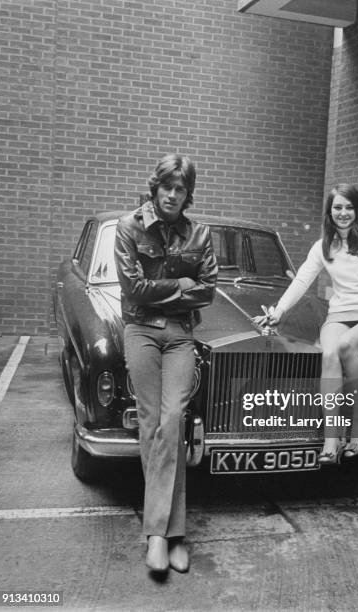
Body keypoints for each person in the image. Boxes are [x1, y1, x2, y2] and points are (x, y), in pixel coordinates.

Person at [114, 154, 218, 573]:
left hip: (179, 335)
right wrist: (180, 283)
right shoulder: (129, 227)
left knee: (173, 418)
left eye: (181, 190)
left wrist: (171, 290)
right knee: (151, 420)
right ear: (155, 188)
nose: (173, 195)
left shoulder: (200, 233)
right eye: (167, 188)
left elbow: (208, 291)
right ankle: (171, 535)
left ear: (187, 194)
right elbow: (133, 289)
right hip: (140, 330)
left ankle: (160, 533)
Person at [255, 184, 358, 463]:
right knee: (329, 353)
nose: (343, 213)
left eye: (349, 207)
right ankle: (331, 438)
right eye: (338, 207)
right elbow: (301, 280)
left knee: (347, 345)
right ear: (330, 211)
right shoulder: (323, 246)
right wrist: (279, 310)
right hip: (339, 314)